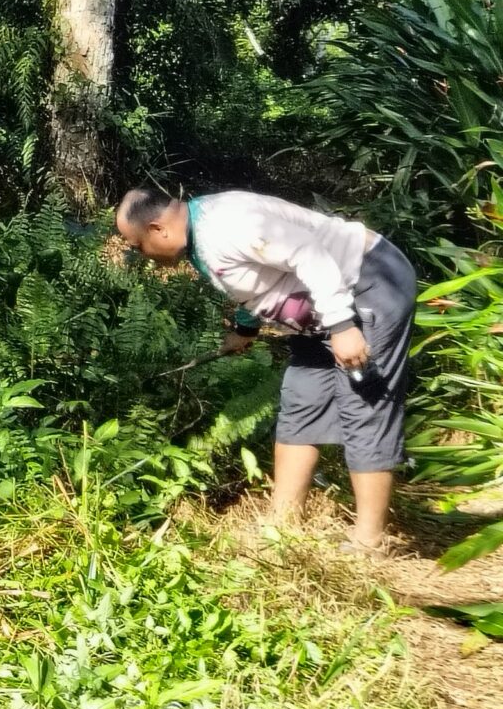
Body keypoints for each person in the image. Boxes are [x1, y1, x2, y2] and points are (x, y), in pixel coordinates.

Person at [116, 185, 416, 551]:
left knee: (363, 402)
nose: (143, 257)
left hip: (365, 284)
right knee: (301, 400)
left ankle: (369, 541)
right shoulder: (198, 234)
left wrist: (342, 326)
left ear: (157, 228)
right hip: (317, 313)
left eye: (137, 246)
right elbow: (256, 280)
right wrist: (246, 327)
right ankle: (283, 523)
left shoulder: (228, 224)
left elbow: (309, 254)